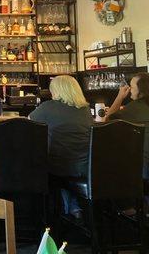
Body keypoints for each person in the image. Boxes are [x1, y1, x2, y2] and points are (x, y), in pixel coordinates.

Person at [29, 75, 93, 219]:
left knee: (53, 166)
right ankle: (73, 208)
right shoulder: (85, 110)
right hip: (86, 168)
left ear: (57, 91)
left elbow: (28, 123)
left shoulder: (48, 107)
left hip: (59, 167)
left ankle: (60, 213)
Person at [106, 72, 149, 216]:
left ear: (142, 91)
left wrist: (119, 97)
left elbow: (107, 122)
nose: (129, 91)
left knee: (113, 163)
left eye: (132, 87)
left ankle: (128, 209)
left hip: (146, 173)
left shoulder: (133, 109)